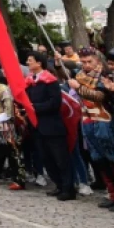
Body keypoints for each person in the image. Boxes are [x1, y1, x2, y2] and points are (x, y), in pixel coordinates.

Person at [73, 49, 114, 211]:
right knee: (98, 159)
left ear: (98, 61)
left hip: (105, 120)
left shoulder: (105, 76)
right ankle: (113, 194)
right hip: (88, 120)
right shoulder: (79, 75)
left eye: (89, 62)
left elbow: (100, 96)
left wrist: (79, 88)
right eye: (83, 62)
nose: (86, 65)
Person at [26, 52, 75, 199]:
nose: (27, 63)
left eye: (30, 60)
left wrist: (34, 107)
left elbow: (55, 103)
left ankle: (68, 189)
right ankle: (59, 185)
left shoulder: (50, 80)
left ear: (39, 63)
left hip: (52, 126)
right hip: (37, 127)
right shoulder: (30, 81)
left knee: (61, 159)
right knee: (47, 159)